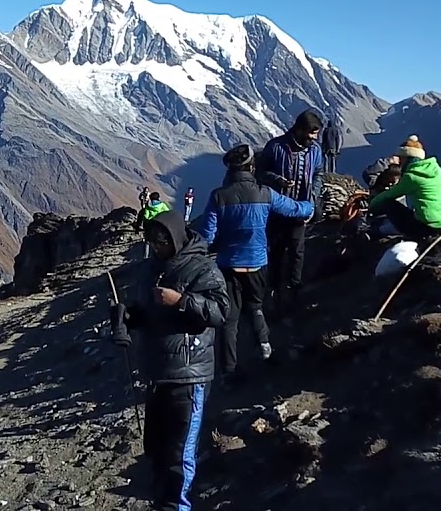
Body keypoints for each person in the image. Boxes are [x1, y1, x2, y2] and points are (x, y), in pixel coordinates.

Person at [110, 212, 229, 511]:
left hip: (189, 378)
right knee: (157, 450)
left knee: (179, 455)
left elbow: (219, 312)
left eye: (161, 241)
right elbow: (149, 312)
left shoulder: (203, 268)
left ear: (175, 238)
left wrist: (181, 301)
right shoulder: (154, 268)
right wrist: (129, 316)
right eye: (151, 241)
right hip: (158, 373)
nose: (156, 247)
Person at [199, 144, 314, 385]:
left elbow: (207, 236)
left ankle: (229, 371)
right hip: (257, 263)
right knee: (256, 306)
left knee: (229, 319)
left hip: (228, 265)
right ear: (252, 167)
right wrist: (311, 206)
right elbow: (294, 209)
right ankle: (264, 349)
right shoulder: (265, 193)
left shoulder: (218, 196)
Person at [256, 109, 325, 317]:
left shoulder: (315, 151)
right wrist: (276, 180)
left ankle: (294, 289)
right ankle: (273, 290)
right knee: (275, 250)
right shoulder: (275, 147)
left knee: (297, 250)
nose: (314, 138)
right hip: (277, 209)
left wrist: (313, 194)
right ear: (300, 129)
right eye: (311, 133)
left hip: (301, 207)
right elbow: (259, 173)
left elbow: (319, 173)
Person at [364, 135, 441, 240]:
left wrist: (372, 206)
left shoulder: (412, 177)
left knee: (389, 204)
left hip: (427, 226)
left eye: (402, 159)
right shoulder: (435, 169)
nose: (400, 163)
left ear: (407, 158)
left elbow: (389, 195)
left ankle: (377, 232)